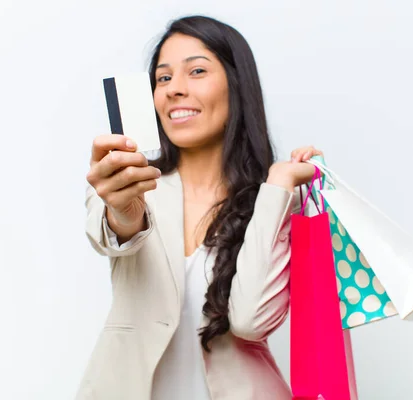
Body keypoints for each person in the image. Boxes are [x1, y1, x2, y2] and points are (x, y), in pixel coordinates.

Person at [78, 15, 324, 400]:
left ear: (236, 84)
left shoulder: (275, 202)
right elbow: (114, 229)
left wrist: (277, 186)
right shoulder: (125, 182)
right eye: (163, 78)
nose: (175, 89)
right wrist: (124, 211)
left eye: (196, 71)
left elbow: (250, 321)